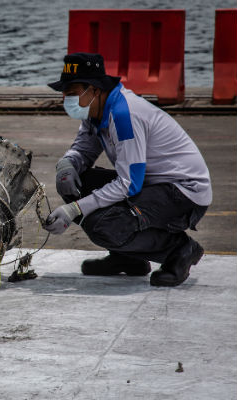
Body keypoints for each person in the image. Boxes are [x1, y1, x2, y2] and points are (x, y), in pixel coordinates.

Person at [43, 53, 212, 287]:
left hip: (183, 193)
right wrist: (67, 164)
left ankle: (180, 249)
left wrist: (75, 209)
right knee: (76, 181)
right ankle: (128, 259)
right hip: (150, 183)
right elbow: (84, 149)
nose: (65, 99)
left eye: (71, 94)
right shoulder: (95, 110)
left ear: (94, 90)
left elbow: (128, 184)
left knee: (103, 225)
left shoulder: (124, 115)